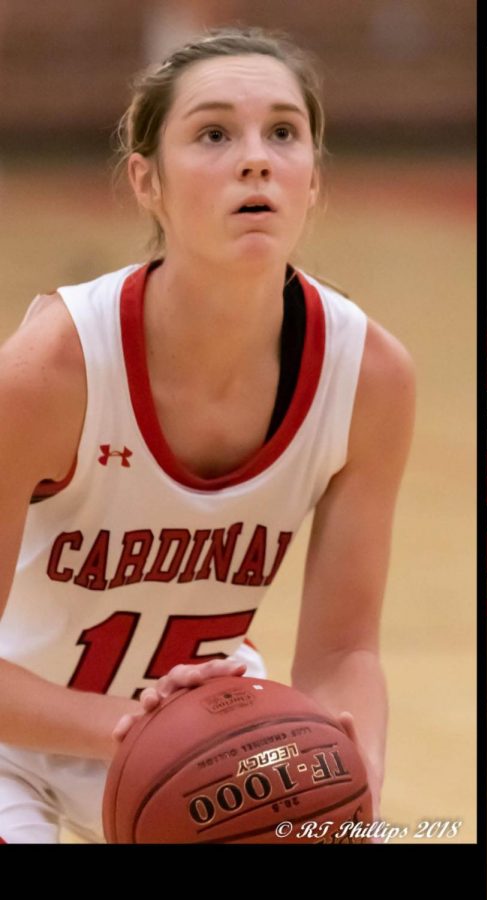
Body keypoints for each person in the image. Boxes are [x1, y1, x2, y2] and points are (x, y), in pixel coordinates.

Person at [0, 27, 414, 843]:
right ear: (146, 181)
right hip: (19, 737)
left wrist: (349, 760)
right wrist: (146, 733)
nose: (255, 159)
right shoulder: (50, 369)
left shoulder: (371, 375)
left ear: (312, 177)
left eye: (284, 133)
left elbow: (343, 654)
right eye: (214, 133)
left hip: (217, 743)